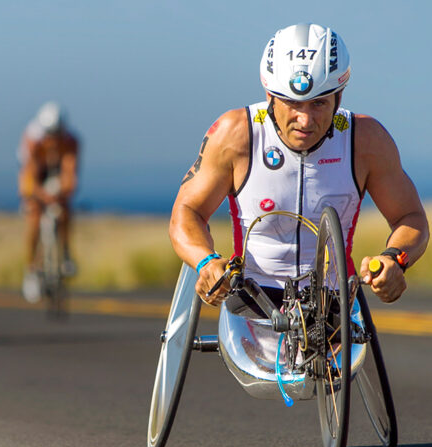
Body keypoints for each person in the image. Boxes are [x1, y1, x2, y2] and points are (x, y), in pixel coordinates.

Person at [169, 23, 428, 308]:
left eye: (318, 103)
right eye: (293, 103)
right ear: (270, 96)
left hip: (333, 305)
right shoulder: (236, 133)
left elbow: (411, 217)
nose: (305, 120)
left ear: (338, 97)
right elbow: (187, 211)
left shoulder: (366, 139)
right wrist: (205, 260)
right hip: (250, 301)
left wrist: (395, 258)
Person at [17, 101, 80, 303]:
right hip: (37, 173)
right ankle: (32, 268)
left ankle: (66, 253)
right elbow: (29, 179)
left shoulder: (71, 141)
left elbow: (70, 174)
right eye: (49, 135)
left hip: (56, 173)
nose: (52, 140)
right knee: (34, 214)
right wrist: (41, 196)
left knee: (65, 207)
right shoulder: (32, 140)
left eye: (56, 135)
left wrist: (64, 191)